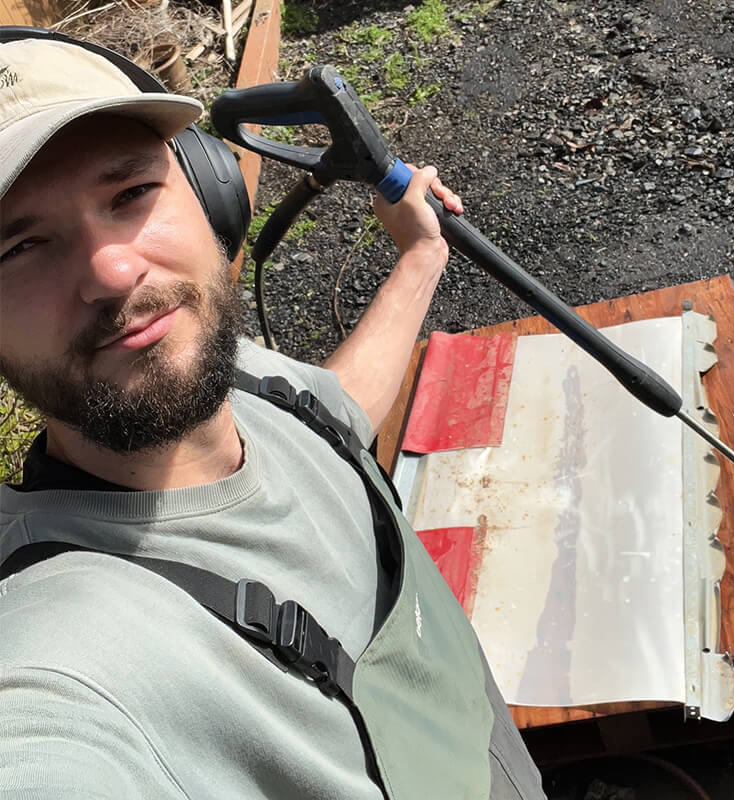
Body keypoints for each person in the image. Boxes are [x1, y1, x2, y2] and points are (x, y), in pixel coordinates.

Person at [0, 33, 547, 799]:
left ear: (211, 193)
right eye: (20, 246)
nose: (112, 272)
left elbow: (337, 411)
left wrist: (421, 259)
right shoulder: (60, 659)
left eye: (130, 195)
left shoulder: (245, 377)